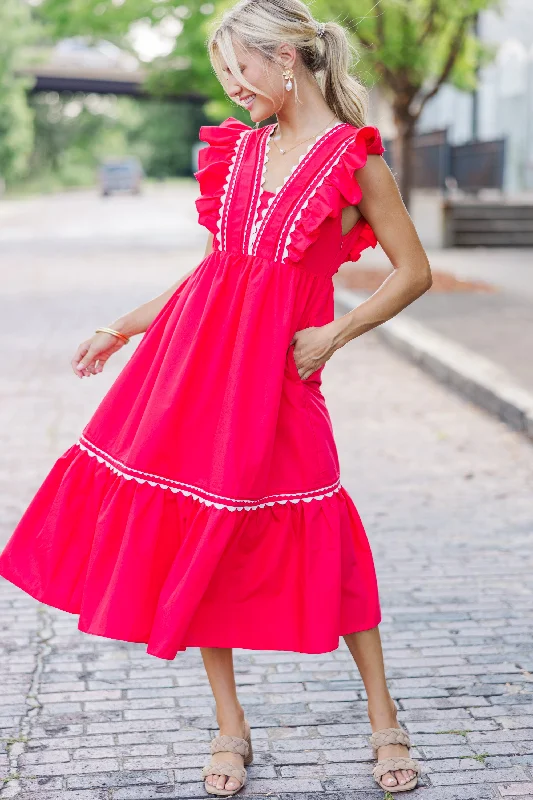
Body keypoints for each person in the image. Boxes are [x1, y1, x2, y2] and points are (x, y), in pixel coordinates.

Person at [0, 0, 433, 795]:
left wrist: (334, 335)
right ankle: (230, 729)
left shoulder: (352, 159)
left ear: (287, 60)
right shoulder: (236, 155)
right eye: (223, 73)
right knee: (197, 535)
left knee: (325, 533)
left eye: (240, 69)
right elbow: (212, 276)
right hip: (194, 374)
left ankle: (384, 720)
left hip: (280, 380)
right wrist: (124, 326)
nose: (231, 87)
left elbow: (413, 271)